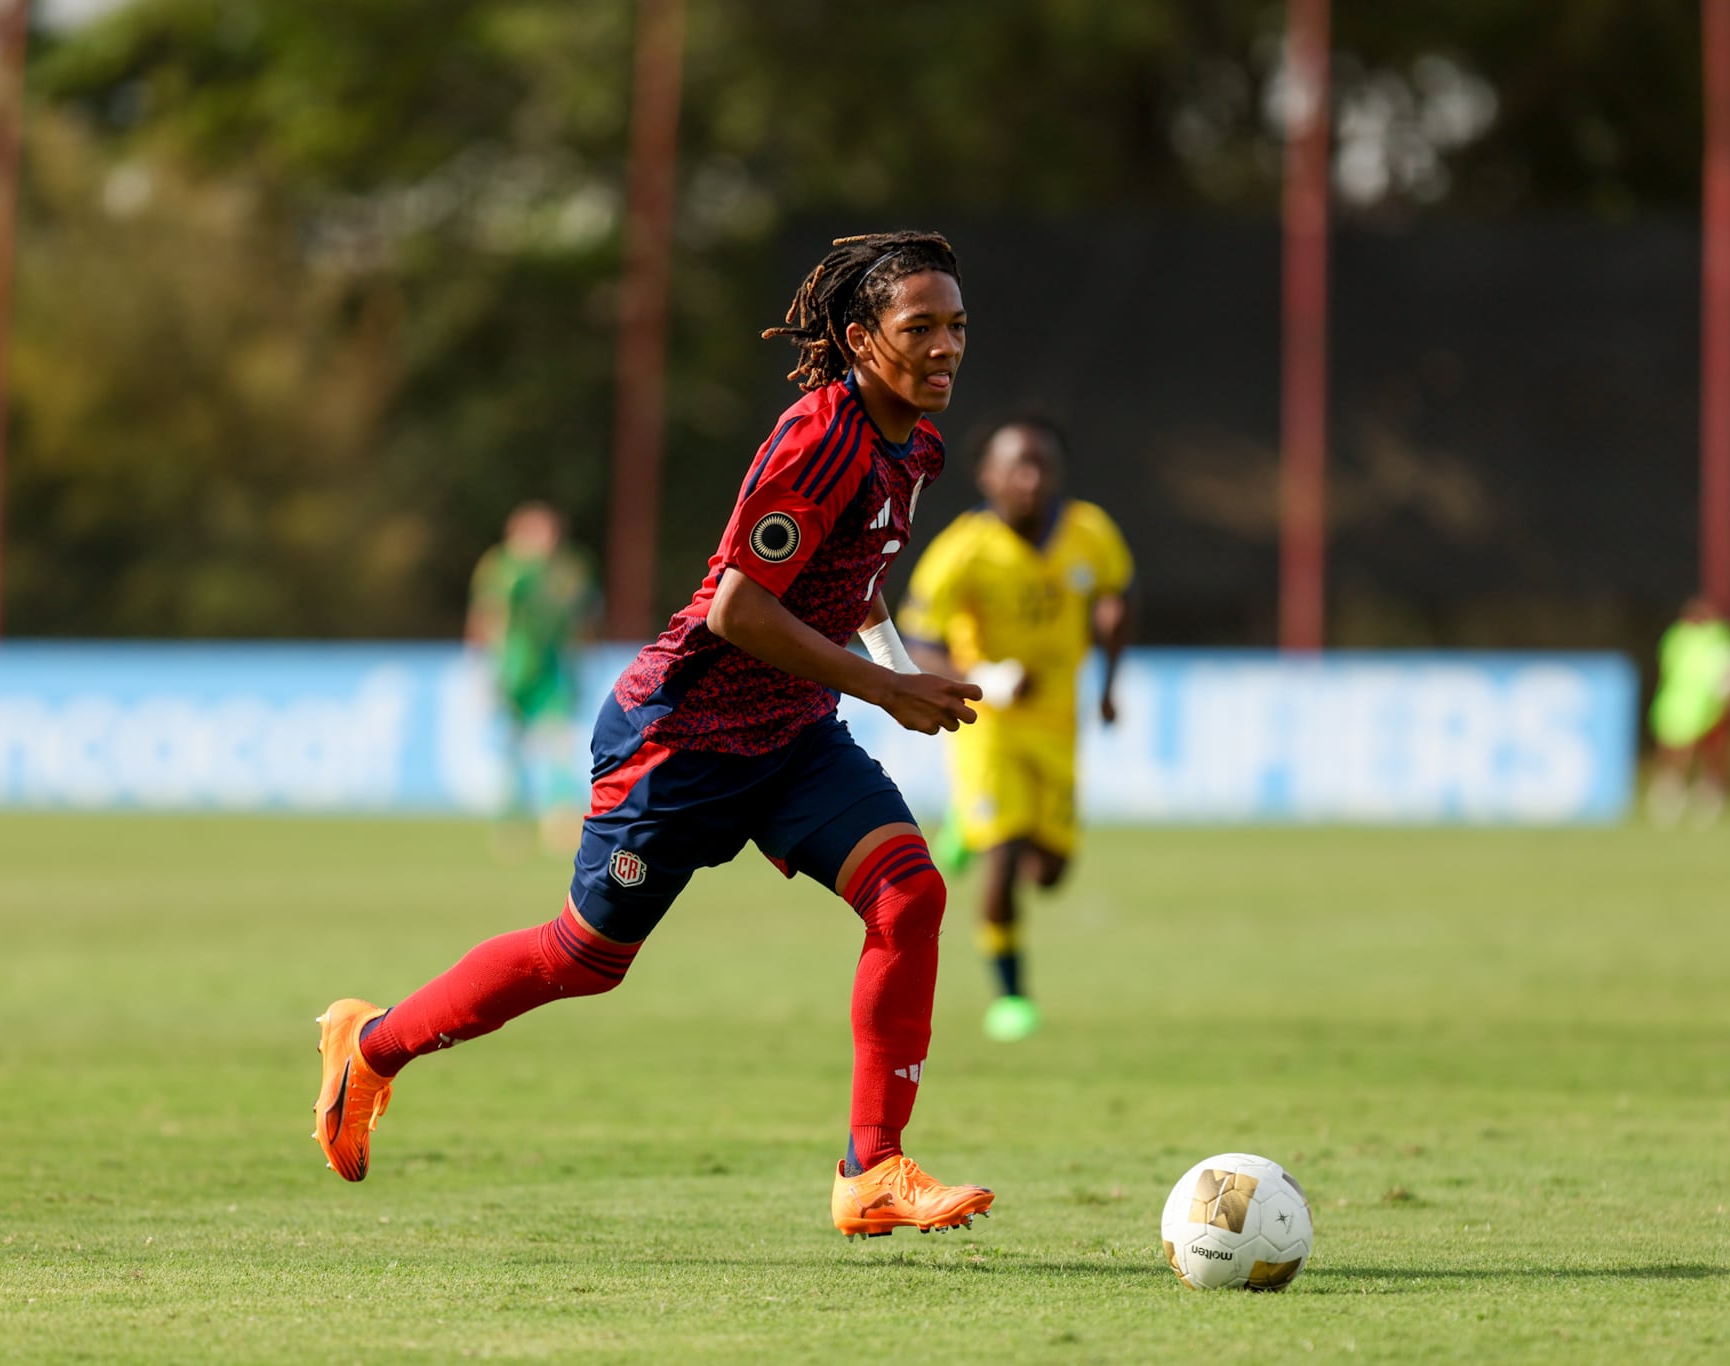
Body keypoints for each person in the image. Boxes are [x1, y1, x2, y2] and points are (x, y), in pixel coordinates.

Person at [313, 231, 998, 1238]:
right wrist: (885, 693)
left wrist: (895, 666)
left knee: (910, 891)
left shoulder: (915, 444)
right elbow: (737, 610)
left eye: (956, 327)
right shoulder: (819, 437)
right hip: (679, 738)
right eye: (919, 328)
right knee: (582, 959)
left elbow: (852, 576)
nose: (944, 347)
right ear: (859, 338)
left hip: (790, 738)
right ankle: (370, 1046)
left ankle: (872, 1169)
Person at [897, 419, 1132, 1043]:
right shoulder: (963, 550)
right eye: (1016, 467)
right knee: (1004, 860)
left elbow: (1116, 598)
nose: (1031, 480)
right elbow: (917, 642)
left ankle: (965, 831)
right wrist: (985, 677)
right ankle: (1011, 998)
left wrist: (1108, 683)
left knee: (1050, 871)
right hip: (989, 723)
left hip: (1057, 723)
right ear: (988, 476)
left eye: (1042, 467)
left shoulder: (1090, 532)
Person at [466, 502, 599, 849]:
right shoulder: (503, 568)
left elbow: (582, 619)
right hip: (513, 667)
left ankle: (560, 816)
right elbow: (489, 616)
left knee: (558, 742)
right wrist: (481, 667)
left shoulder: (570, 569)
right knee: (512, 745)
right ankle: (512, 820)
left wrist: (581, 660)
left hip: (553, 670)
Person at [1647, 595, 1730, 827]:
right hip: (1679, 702)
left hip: (1709, 705)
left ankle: (1709, 794)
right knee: (1675, 751)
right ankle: (1670, 795)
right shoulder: (1678, 637)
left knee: (1712, 752)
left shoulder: (1720, 638)